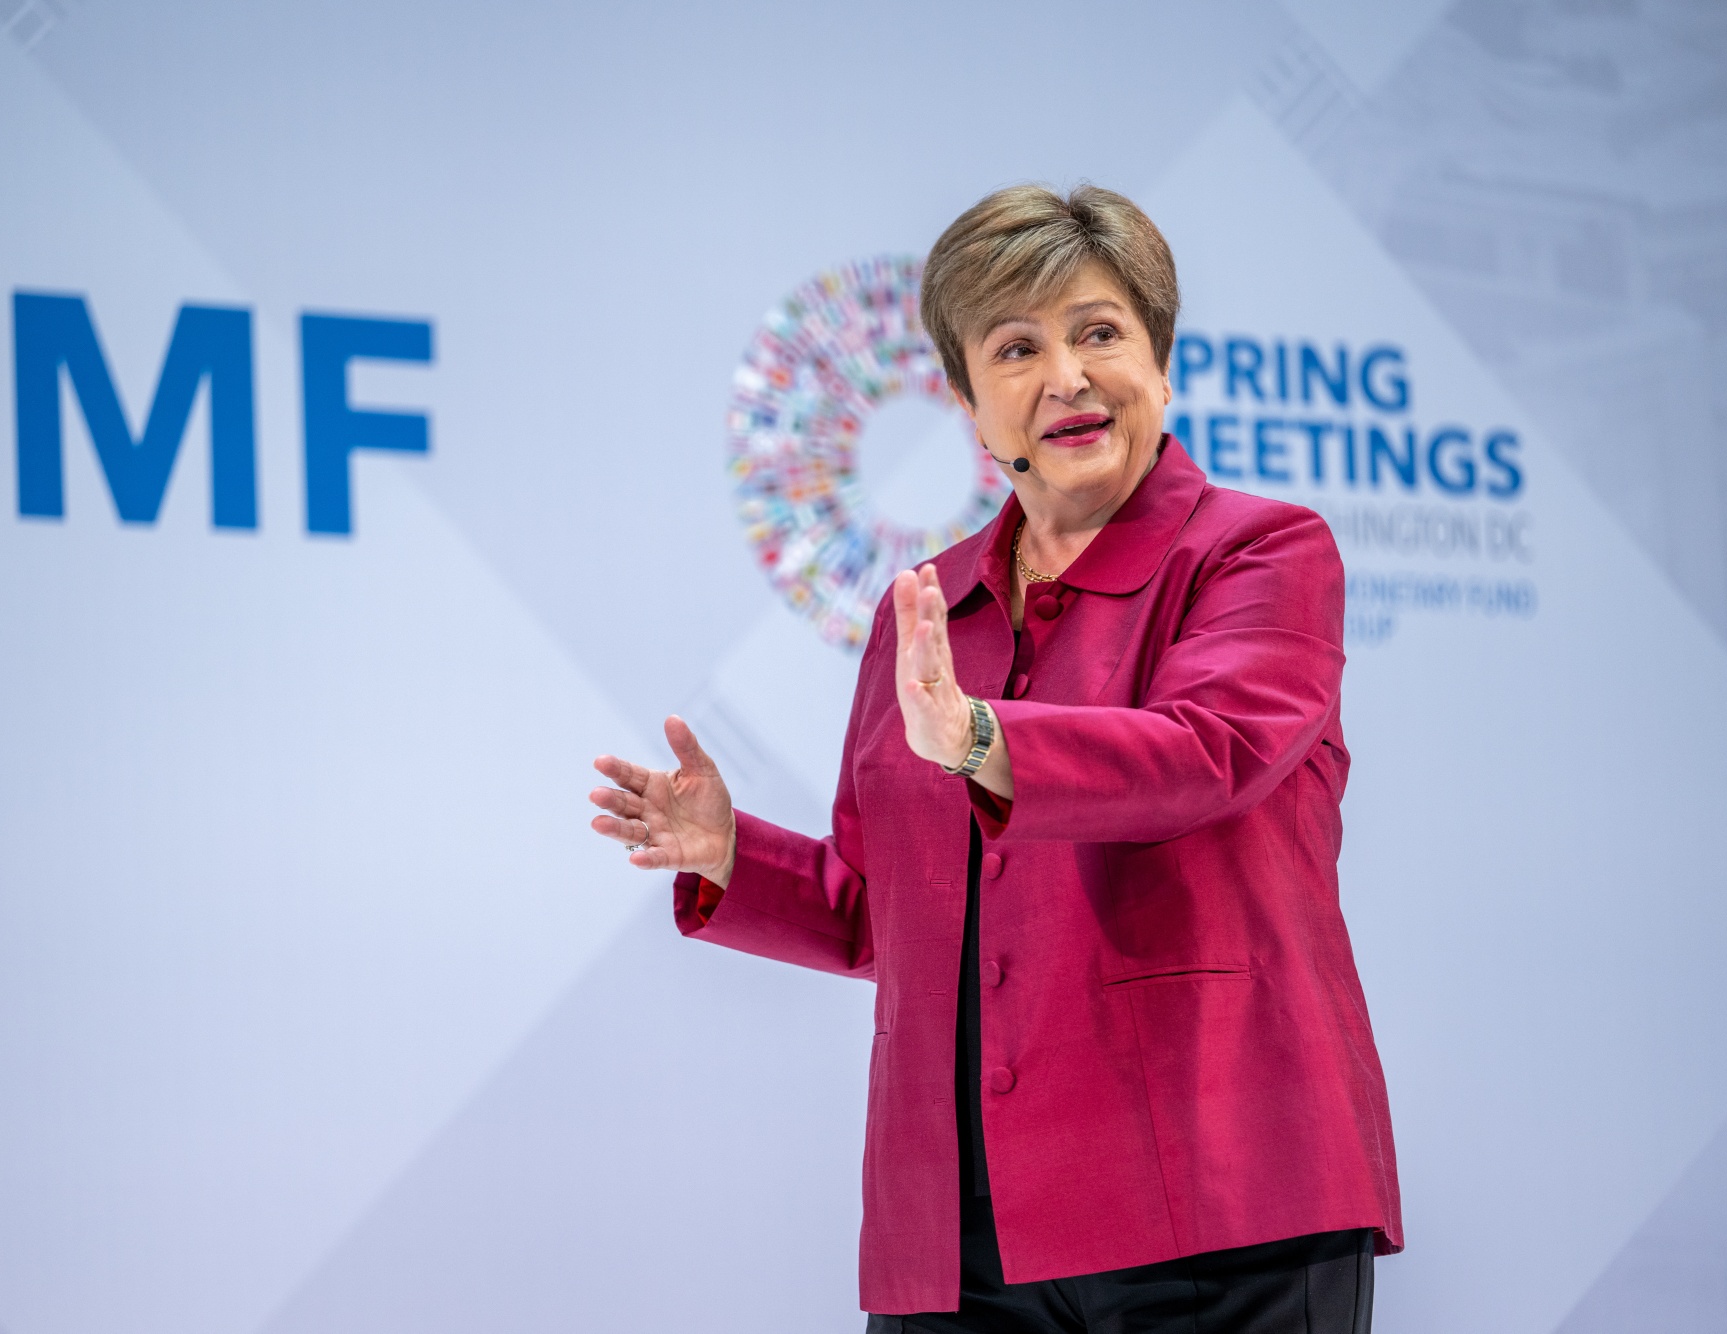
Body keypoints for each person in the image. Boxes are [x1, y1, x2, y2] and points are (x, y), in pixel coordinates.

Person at [588, 185, 1401, 1333]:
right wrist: (732, 851)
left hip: (1222, 1201)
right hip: (958, 1234)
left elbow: (1202, 751)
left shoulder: (1258, 551)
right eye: (1015, 347)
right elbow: (891, 916)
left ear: (1159, 370)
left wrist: (979, 737)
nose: (1063, 374)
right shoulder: (926, 611)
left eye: (1098, 333)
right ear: (972, 406)